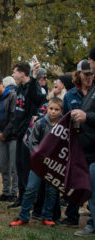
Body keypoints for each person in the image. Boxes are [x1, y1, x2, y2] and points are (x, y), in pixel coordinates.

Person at [10, 97, 63, 227]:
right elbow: (32, 142)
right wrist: (38, 156)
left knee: (52, 191)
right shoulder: (41, 123)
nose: (53, 112)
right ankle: (23, 216)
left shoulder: (63, 125)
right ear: (47, 109)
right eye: (51, 108)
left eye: (57, 109)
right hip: (39, 163)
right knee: (31, 189)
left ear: (61, 111)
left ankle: (47, 216)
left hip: (54, 165)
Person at [9, 60, 46, 208]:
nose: (13, 74)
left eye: (15, 71)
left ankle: (29, 199)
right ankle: (21, 195)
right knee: (19, 165)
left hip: (28, 133)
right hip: (18, 132)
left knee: (26, 166)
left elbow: (37, 98)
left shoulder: (32, 87)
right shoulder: (19, 89)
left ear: (22, 73)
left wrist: (34, 77)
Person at [72, 46, 95, 237]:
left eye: (92, 62)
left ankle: (93, 223)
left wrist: (87, 116)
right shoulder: (92, 89)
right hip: (87, 146)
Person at [0, 74, 18, 202]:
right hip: (0, 137)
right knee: (4, 166)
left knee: (13, 166)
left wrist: (5, 133)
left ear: (2, 84)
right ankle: (6, 191)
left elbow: (13, 116)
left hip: (12, 136)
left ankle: (14, 192)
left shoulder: (12, 96)